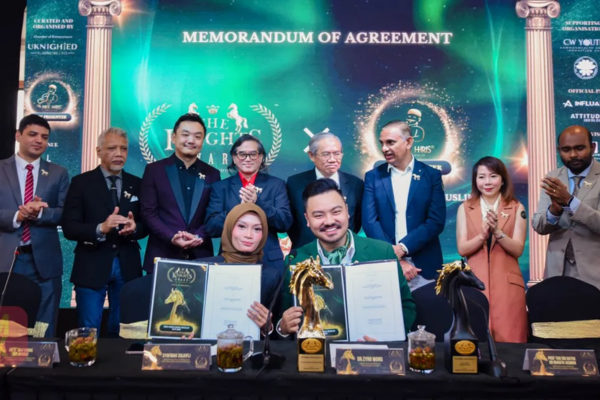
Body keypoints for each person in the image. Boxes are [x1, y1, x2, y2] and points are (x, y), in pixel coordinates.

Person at [276, 179, 416, 339]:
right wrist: (283, 328)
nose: (329, 221)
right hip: (316, 351)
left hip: (371, 349)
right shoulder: (295, 260)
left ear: (347, 211)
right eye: (319, 215)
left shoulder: (382, 252)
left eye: (336, 212)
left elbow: (406, 306)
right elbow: (287, 316)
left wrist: (386, 339)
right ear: (307, 219)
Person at [62, 127, 148, 337]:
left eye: (123, 149)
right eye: (112, 148)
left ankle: (119, 361)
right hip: (91, 264)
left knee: (123, 329)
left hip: (127, 265)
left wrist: (135, 228)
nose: (119, 154)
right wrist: (100, 228)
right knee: (88, 329)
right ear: (98, 151)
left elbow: (147, 224)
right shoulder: (80, 183)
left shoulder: (137, 184)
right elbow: (69, 227)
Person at [0, 114, 70, 337]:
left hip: (44, 261)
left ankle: (43, 358)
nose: (39, 140)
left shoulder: (58, 173)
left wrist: (40, 213)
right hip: (6, 259)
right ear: (18, 136)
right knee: (7, 325)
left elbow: (64, 213)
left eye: (44, 137)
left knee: (44, 325)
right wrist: (18, 215)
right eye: (33, 134)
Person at [362, 120, 446, 291]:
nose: (384, 148)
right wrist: (394, 256)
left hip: (424, 268)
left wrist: (403, 248)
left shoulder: (431, 175)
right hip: (385, 265)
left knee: (429, 309)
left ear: (408, 142)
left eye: (390, 142)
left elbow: (436, 221)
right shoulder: (373, 177)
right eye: (382, 143)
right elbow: (370, 222)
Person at [456, 156, 527, 343]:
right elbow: (462, 249)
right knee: (475, 341)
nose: (487, 182)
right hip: (475, 284)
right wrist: (482, 236)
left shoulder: (516, 207)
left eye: (493, 176)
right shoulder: (465, 208)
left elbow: (518, 249)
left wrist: (498, 232)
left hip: (508, 287)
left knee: (510, 341)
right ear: (475, 181)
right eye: (481, 177)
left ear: (503, 180)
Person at [140, 113, 220, 273]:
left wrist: (198, 236)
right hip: (163, 254)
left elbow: (214, 214)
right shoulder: (154, 170)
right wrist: (171, 237)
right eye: (185, 135)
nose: (191, 140)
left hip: (200, 256)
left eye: (198, 137)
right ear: (173, 137)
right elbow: (148, 212)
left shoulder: (212, 174)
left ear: (203, 141)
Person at [205, 134, 292, 273]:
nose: (247, 159)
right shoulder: (220, 187)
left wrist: (258, 203)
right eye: (242, 154)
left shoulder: (276, 185)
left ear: (261, 157)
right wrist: (239, 210)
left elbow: (285, 222)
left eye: (253, 154)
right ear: (234, 158)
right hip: (229, 260)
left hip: (268, 261)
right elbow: (211, 227)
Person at [533, 125, 600, 289]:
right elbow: (539, 226)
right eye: (566, 150)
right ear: (559, 150)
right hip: (557, 273)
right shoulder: (553, 177)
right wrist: (554, 211)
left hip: (595, 274)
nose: (573, 155)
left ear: (592, 147)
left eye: (579, 148)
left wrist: (570, 202)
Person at [198, 203, 281, 335]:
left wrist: (268, 328)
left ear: (264, 234)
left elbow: (277, 331)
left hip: (251, 346)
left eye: (257, 229)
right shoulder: (201, 268)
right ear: (229, 228)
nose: (249, 235)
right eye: (241, 226)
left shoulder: (272, 275)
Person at [286, 132, 363, 249]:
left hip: (346, 250)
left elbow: (356, 221)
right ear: (311, 155)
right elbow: (292, 223)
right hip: (306, 251)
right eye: (326, 154)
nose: (332, 159)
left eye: (337, 154)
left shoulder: (355, 184)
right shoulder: (295, 183)